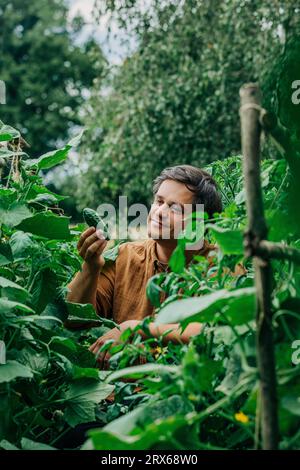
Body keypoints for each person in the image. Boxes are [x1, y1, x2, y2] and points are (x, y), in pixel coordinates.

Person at [67, 165, 222, 367]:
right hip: (115, 392)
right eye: (159, 201)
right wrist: (91, 266)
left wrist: (136, 329)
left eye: (175, 208)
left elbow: (216, 331)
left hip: (184, 391)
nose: (159, 212)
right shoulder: (125, 255)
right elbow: (74, 318)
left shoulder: (220, 263)